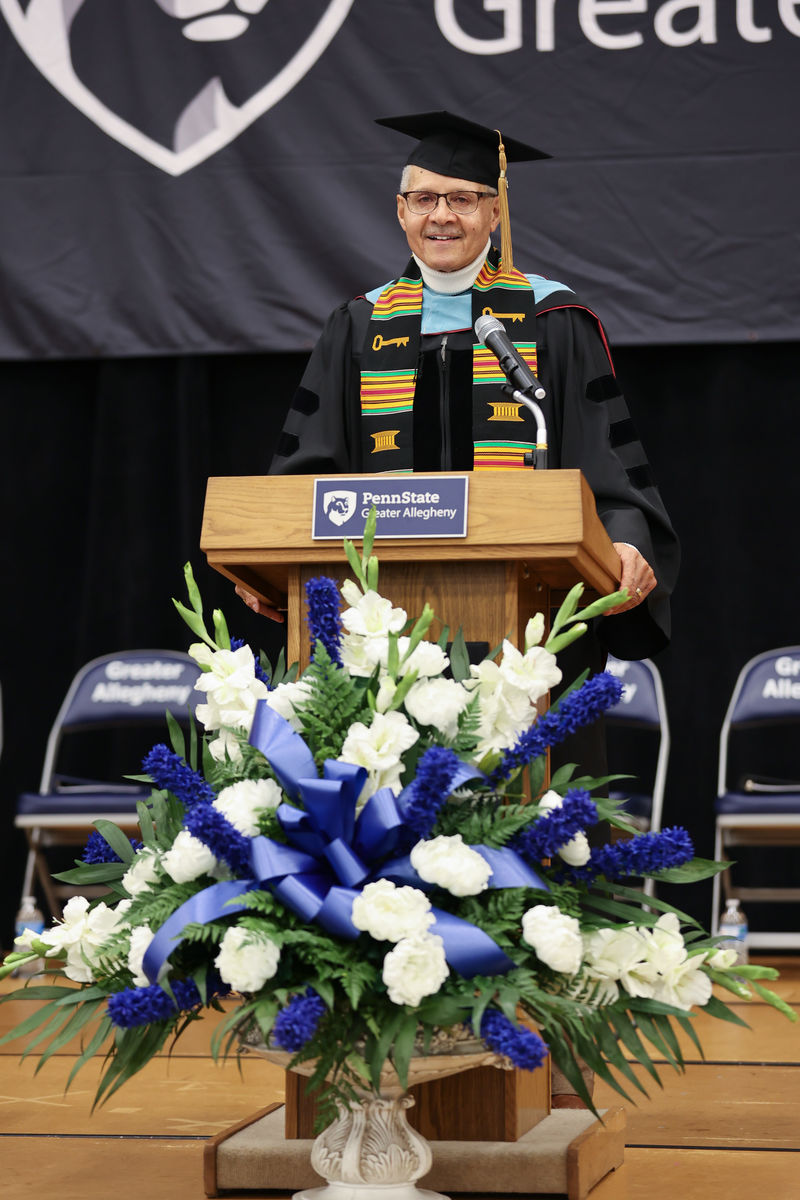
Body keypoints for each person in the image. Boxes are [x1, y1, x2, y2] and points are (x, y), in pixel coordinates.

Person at [260, 110, 679, 666]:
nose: (441, 217)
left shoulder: (551, 319)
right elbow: (306, 475)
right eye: (424, 199)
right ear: (400, 210)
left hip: (531, 634)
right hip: (379, 634)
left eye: (462, 199)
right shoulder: (359, 325)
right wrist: (268, 558)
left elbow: (609, 466)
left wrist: (625, 543)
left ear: (495, 210)